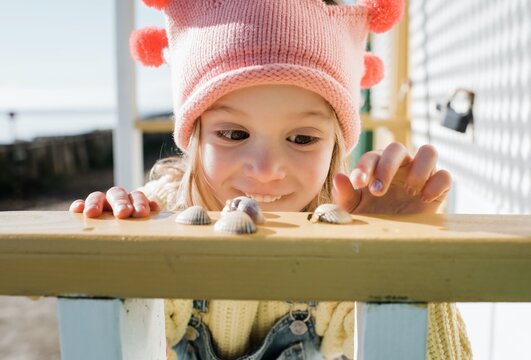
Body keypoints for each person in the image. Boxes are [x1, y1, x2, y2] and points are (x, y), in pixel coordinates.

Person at [71, 0, 472, 359]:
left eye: (301, 138)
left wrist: (405, 254)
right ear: (194, 136)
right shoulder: (163, 213)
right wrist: (115, 232)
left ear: (334, 147)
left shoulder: (346, 234)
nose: (264, 170)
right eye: (233, 134)